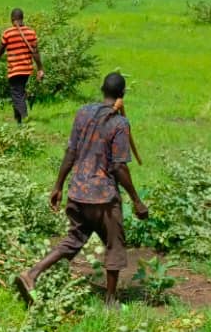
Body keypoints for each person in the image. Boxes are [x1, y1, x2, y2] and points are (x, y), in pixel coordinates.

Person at [13, 72, 148, 308]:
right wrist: (137, 200)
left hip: (77, 192)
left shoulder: (83, 112)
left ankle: (32, 274)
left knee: (73, 240)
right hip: (103, 198)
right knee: (115, 245)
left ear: (102, 90)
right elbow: (119, 167)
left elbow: (71, 152)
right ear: (122, 94)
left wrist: (58, 185)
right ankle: (111, 301)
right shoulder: (119, 123)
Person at [0, 8, 44, 124]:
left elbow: (0, 50)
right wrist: (40, 68)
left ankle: (24, 117)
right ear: (22, 18)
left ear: (12, 19)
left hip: (14, 69)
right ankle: (18, 121)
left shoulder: (8, 33)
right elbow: (35, 52)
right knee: (18, 93)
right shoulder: (31, 32)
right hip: (26, 70)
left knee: (16, 94)